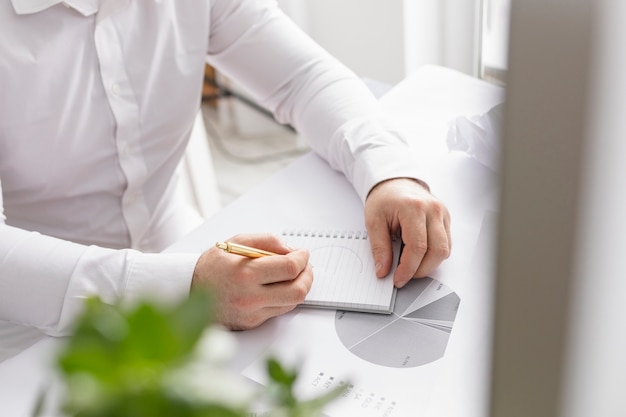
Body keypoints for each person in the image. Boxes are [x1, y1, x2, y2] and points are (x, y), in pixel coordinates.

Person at [0, 0, 451, 359]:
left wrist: (389, 174)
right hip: (31, 324)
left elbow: (302, 78)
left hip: (180, 245)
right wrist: (186, 288)